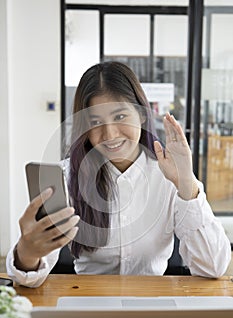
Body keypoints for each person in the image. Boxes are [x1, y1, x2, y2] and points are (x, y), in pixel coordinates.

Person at [6, 61, 231, 287]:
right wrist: (28, 251)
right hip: (87, 302)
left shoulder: (168, 174)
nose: (109, 134)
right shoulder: (66, 176)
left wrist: (186, 183)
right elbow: (28, 278)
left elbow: (213, 267)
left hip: (153, 304)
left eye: (120, 116)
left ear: (142, 114)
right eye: (95, 122)